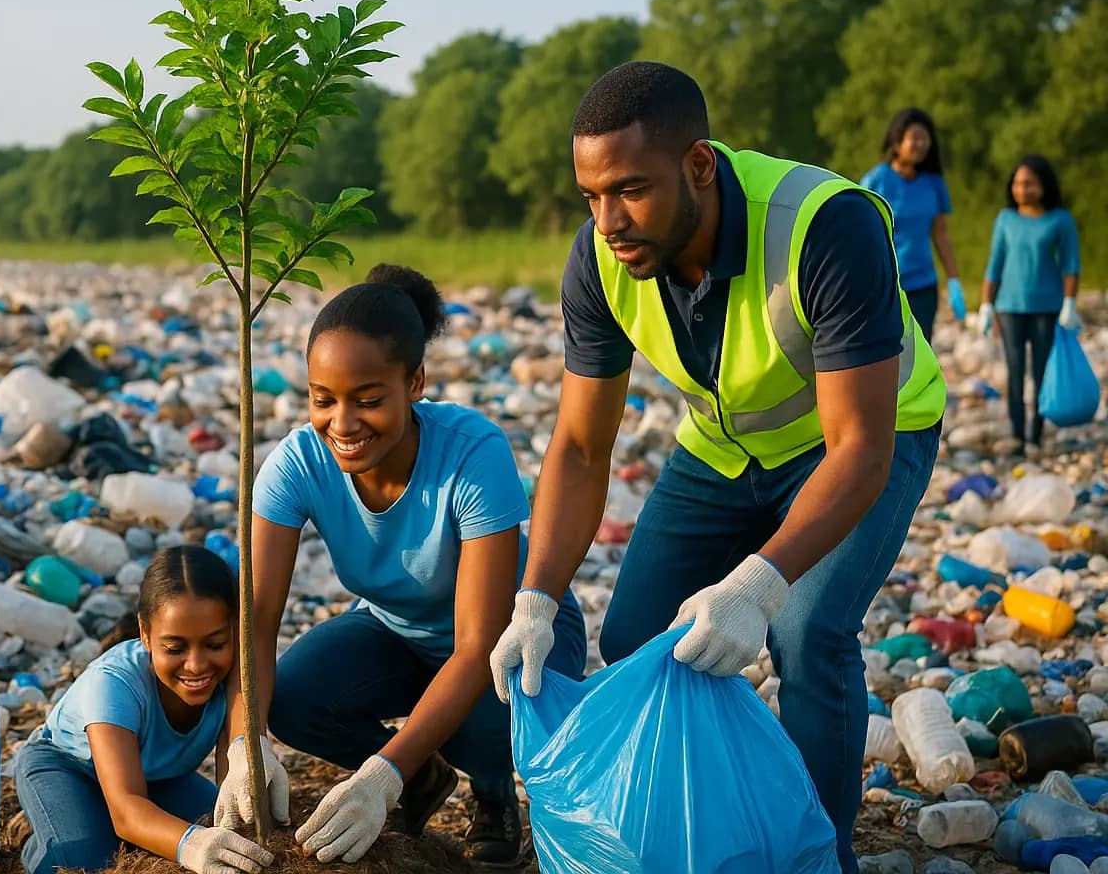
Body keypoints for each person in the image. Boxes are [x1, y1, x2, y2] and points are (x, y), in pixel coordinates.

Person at [489, 62, 946, 874]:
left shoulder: (824, 225)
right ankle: (715, 825)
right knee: (637, 636)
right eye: (591, 197)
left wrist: (756, 587)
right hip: (725, 449)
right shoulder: (601, 258)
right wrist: (536, 597)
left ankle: (818, 857)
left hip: (864, 439)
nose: (608, 221)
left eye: (630, 190)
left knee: (807, 632)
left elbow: (860, 449)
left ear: (699, 165)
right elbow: (581, 446)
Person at [215, 265, 586, 868]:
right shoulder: (296, 465)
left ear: (415, 383)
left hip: (514, 639)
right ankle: (422, 774)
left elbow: (476, 647)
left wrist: (378, 776)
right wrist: (243, 746)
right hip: (396, 630)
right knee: (294, 696)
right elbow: (254, 624)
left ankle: (491, 788)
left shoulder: (472, 453)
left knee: (482, 728)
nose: (343, 424)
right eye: (323, 400)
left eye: (367, 401)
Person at [13, 546, 272, 874]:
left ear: (235, 630)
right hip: (68, 769)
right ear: (146, 635)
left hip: (158, 778)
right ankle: (40, 840)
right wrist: (191, 844)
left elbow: (230, 783)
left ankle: (104, 826)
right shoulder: (113, 684)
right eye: (175, 648)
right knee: (86, 863)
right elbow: (127, 811)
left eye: (215, 644)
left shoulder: (237, 677)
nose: (196, 665)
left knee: (222, 826)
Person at [979, 155, 1082, 454]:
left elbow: (1071, 266)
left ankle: (1035, 435)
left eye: (1030, 183)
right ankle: (1017, 434)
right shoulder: (1005, 219)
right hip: (1009, 307)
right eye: (1018, 183)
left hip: (1047, 307)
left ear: (1044, 185)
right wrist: (986, 305)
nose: (1023, 189)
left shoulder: (1060, 220)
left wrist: (1070, 303)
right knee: (1015, 371)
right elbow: (995, 265)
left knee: (1041, 372)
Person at [860, 108, 965, 342]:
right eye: (915, 138)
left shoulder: (933, 183)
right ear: (897, 142)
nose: (921, 144)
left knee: (920, 349)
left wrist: (954, 280)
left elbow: (940, 234)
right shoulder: (876, 181)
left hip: (923, 285)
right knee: (886, 350)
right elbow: (859, 232)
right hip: (885, 284)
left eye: (925, 139)